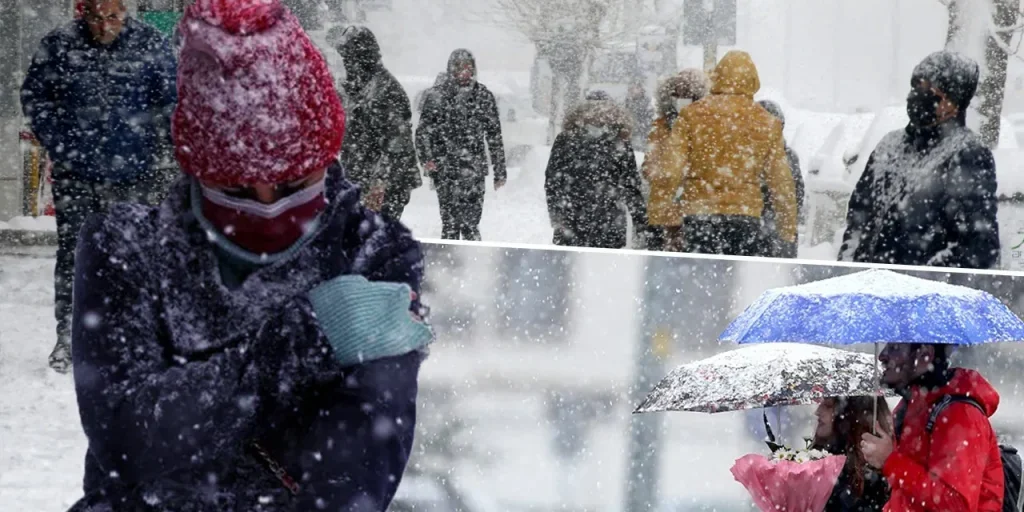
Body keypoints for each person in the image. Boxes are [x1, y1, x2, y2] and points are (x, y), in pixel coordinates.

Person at [67, 1, 431, 510]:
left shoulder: (374, 253)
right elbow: (127, 441)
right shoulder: (124, 245)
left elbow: (354, 468)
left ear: (326, 155)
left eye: (293, 181)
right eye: (236, 186)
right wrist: (304, 340)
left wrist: (201, 411)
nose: (268, 205)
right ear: (197, 167)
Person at [20, 0, 177, 373]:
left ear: (126, 12)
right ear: (83, 13)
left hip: (135, 175)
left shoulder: (151, 45)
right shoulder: (59, 45)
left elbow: (171, 103)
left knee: (132, 258)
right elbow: (35, 100)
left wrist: (155, 148)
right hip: (77, 174)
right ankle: (70, 337)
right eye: (94, 17)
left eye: (112, 16)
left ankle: (130, 338)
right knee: (75, 256)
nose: (103, 26)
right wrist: (62, 144)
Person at [839, 51, 1000, 269]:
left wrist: (920, 282)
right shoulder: (889, 145)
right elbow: (858, 218)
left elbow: (977, 247)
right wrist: (848, 267)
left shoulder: (967, 155)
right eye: (915, 86)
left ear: (953, 101)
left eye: (929, 90)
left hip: (919, 297)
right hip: (867, 290)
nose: (916, 95)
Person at [662, 50, 797, 257]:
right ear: (753, 80)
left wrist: (661, 212)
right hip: (745, 216)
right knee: (736, 280)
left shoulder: (691, 115)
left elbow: (671, 169)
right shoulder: (767, 122)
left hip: (699, 213)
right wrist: (787, 227)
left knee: (699, 278)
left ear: (717, 76)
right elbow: (780, 181)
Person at [860, 343, 1003, 511]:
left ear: (925, 355)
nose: (882, 356)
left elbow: (956, 505)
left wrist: (890, 461)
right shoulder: (912, 404)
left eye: (895, 348)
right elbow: (906, 497)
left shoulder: (961, 415)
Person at [415, 49, 507, 241]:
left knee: (471, 224)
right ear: (451, 70)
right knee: (449, 224)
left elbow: (494, 136)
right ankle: (450, 262)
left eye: (468, 67)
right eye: (459, 67)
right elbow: (423, 132)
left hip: (474, 170)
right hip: (446, 170)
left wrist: (500, 170)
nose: (464, 72)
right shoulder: (436, 97)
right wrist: (427, 159)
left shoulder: (483, 96)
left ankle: (472, 259)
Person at [335, 26, 421, 220]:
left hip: (386, 185)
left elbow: (397, 144)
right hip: (359, 178)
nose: (346, 63)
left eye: (349, 58)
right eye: (345, 58)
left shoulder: (386, 90)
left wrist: (380, 184)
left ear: (362, 58)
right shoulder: (356, 87)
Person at [544, 91, 648, 249]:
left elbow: (552, 181)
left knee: (573, 268)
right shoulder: (619, 142)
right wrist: (640, 221)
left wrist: (557, 215)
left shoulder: (567, 139)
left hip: (577, 219)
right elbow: (631, 186)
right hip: (605, 221)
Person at [642, 68, 710, 251]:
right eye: (678, 96)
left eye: (687, 96)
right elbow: (649, 166)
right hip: (665, 211)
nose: (682, 101)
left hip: (692, 211)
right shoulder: (661, 127)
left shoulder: (705, 128)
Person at [811, 396, 892, 512]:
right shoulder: (820, 456)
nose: (817, 412)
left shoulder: (870, 476)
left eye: (828, 406)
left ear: (850, 412)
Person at [756, 99, 806, 258]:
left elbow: (796, 197)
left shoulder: (788, 157)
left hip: (775, 235)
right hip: (770, 234)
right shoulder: (787, 157)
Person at [625, 79, 655, 149]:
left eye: (636, 88)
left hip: (642, 135)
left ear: (641, 89)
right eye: (631, 88)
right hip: (632, 135)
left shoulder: (647, 102)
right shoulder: (627, 101)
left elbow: (648, 119)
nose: (633, 90)